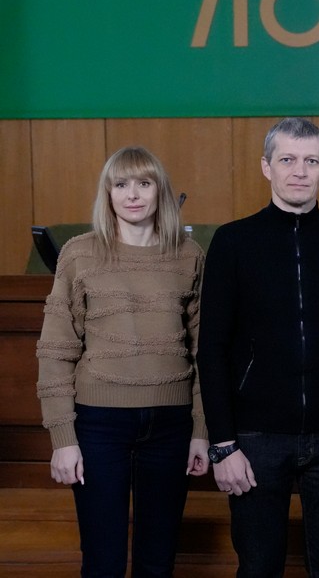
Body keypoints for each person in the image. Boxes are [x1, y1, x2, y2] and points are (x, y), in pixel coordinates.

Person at [197, 117, 319, 577]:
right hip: (254, 439)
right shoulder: (232, 241)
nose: (299, 171)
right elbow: (211, 348)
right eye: (287, 160)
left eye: (310, 161)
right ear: (267, 167)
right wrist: (223, 445)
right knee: (258, 567)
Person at [36, 146, 208, 577]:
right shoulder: (79, 254)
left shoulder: (189, 254)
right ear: (107, 193)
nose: (133, 195)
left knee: (158, 561)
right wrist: (63, 439)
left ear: (159, 191)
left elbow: (206, 352)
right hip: (98, 425)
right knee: (102, 561)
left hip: (171, 425)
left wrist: (201, 431)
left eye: (144, 183)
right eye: (121, 184)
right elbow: (56, 349)